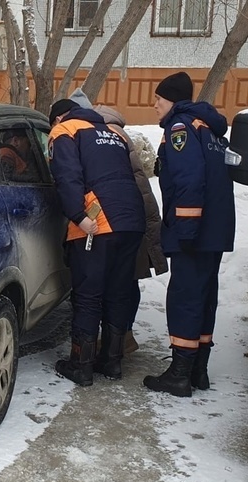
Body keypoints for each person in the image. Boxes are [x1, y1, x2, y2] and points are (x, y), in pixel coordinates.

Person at [142, 72, 236, 397]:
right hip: (215, 231)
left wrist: (186, 227)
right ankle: (198, 370)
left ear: (173, 101)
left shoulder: (180, 128)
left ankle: (179, 375)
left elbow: (189, 180)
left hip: (194, 232)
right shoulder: (208, 128)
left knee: (184, 297)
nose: (154, 105)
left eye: (158, 99)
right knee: (204, 296)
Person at [48, 98, 145, 386]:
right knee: (118, 290)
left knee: (88, 295)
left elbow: (67, 177)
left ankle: (81, 365)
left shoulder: (64, 131)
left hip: (98, 222)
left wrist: (77, 215)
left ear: (57, 118)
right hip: (131, 219)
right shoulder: (113, 132)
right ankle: (111, 362)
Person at [69, 89, 169, 367]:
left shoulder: (93, 135)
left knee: (103, 287)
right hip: (134, 217)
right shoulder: (117, 134)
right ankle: (119, 343)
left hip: (111, 218)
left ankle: (113, 343)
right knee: (124, 283)